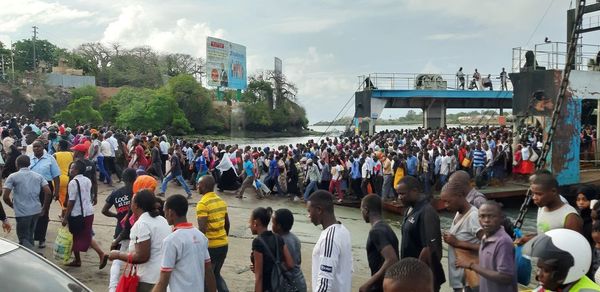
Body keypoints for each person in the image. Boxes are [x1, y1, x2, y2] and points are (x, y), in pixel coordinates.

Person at [109, 190, 171, 292]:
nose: (130, 205)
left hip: (149, 280)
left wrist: (117, 255)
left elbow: (142, 256)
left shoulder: (142, 224)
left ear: (136, 205)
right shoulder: (162, 220)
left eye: (132, 202)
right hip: (164, 276)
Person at [152, 194, 217, 292]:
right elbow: (209, 272)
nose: (164, 214)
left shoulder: (171, 241)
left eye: (164, 211)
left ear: (170, 212)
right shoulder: (201, 236)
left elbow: (163, 281)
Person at [396, 176, 445, 292]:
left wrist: (417, 273)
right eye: (398, 194)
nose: (399, 197)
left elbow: (430, 248)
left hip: (422, 277)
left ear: (414, 191)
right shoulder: (409, 209)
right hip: (410, 273)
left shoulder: (427, 212)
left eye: (402, 194)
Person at [456, 201, 517, 291]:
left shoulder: (503, 242)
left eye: (491, 216)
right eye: (482, 216)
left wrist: (472, 265)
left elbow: (505, 277)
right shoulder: (485, 237)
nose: (486, 220)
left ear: (501, 218)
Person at [61, 160, 108, 269]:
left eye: (72, 168)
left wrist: (65, 217)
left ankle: (86, 257)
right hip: (89, 212)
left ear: (76, 170)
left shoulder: (73, 183)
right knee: (86, 235)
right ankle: (81, 258)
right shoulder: (87, 180)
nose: (70, 170)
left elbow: (71, 202)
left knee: (76, 236)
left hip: (77, 214)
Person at [517, 170, 583, 245]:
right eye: (533, 193)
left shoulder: (570, 217)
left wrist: (535, 240)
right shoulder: (542, 208)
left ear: (554, 191)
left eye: (539, 194)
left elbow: (574, 245)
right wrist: (532, 237)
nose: (534, 197)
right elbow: (547, 233)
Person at [524, 228, 600, 291]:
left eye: (546, 270)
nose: (538, 276)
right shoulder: (554, 285)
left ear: (565, 271)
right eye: (539, 268)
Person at [440, 181, 482, 292]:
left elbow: (489, 246)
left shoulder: (473, 216)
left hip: (469, 280)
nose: (445, 205)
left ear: (460, 196)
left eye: (448, 202)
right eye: (444, 202)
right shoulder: (459, 212)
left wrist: (458, 243)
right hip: (459, 278)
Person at [307, 190, 353, 292]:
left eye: (309, 211)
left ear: (319, 210)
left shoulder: (329, 238)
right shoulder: (343, 231)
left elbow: (324, 284)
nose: (309, 215)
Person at [2, 155, 51, 249]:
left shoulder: (13, 176)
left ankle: (32, 258)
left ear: (17, 164)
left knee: (23, 238)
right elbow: (48, 193)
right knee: (30, 234)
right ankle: (32, 255)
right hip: (36, 210)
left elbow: (5, 197)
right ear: (29, 164)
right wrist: (44, 208)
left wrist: (13, 206)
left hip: (22, 212)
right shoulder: (38, 176)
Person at [102, 168, 137, 292]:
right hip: (136, 231)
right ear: (135, 178)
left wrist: (116, 215)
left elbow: (104, 210)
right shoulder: (137, 193)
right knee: (134, 260)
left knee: (116, 261)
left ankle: (112, 288)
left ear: (123, 178)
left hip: (119, 230)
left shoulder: (116, 193)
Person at [196, 175, 230, 292]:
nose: (197, 186)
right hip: (223, 244)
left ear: (204, 187)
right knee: (216, 275)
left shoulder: (202, 204)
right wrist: (222, 238)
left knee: (207, 279)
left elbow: (202, 230)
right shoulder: (221, 201)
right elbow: (227, 224)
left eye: (199, 184)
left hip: (211, 247)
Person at [249, 207, 294, 292]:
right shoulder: (278, 238)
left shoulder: (258, 242)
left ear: (255, 223)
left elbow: (259, 277)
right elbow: (290, 264)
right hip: (279, 285)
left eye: (250, 222)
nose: (249, 225)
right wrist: (275, 269)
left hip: (267, 287)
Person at [360, 194, 399, 292]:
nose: (362, 213)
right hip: (390, 283)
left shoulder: (376, 231)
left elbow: (392, 259)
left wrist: (369, 283)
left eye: (361, 210)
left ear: (366, 210)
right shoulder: (386, 227)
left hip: (380, 286)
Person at [29, 140, 60, 249]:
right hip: (31, 188)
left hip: (46, 189)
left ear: (43, 147)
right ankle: (30, 236)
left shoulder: (50, 159)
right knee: (31, 212)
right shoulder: (29, 158)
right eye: (34, 147)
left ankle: (41, 238)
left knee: (43, 212)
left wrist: (56, 191)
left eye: (38, 146)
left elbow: (56, 176)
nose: (36, 148)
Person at [272, 208, 307, 292]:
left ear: (279, 226)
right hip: (298, 281)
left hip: (291, 285)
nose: (271, 225)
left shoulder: (284, 242)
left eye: (273, 223)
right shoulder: (294, 238)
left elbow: (289, 265)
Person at [53, 139, 73, 212]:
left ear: (59, 146)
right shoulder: (72, 154)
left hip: (58, 180)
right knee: (67, 198)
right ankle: (63, 214)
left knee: (62, 199)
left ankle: (65, 215)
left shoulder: (55, 155)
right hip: (69, 179)